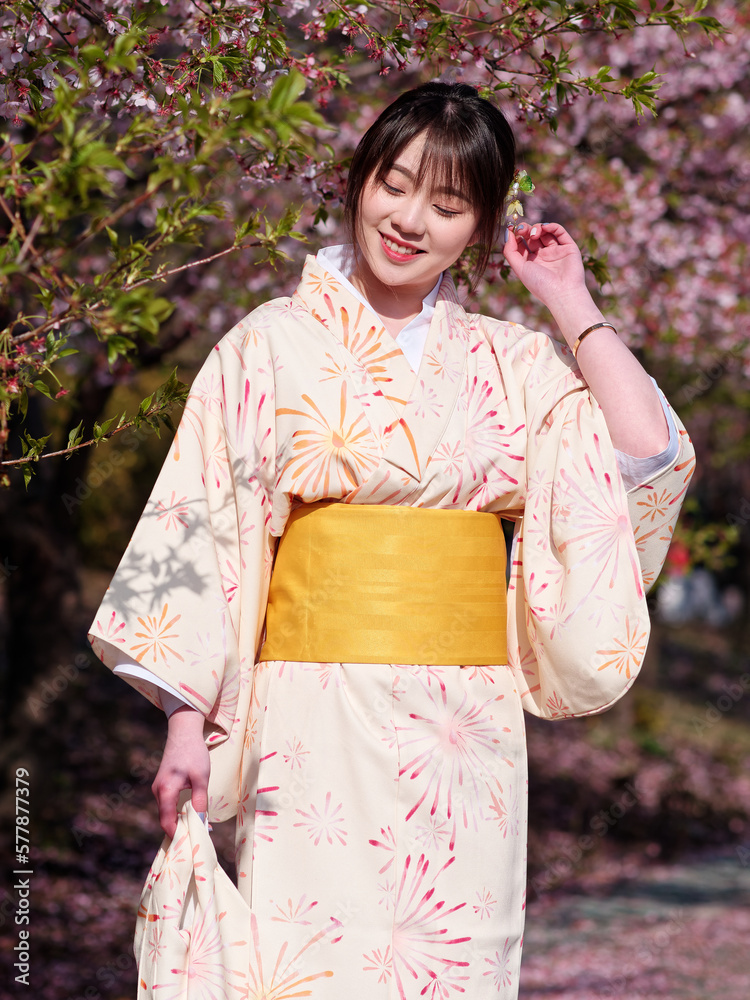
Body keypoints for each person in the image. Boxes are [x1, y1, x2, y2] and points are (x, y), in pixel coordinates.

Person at [89, 82, 694, 999]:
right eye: (395, 185)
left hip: (464, 731)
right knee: (306, 967)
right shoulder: (269, 346)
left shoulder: (513, 361)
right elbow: (206, 526)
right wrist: (186, 721)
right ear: (359, 180)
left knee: (451, 963)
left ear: (483, 226)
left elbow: (646, 453)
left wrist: (570, 302)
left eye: (449, 206)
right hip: (309, 724)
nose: (411, 220)